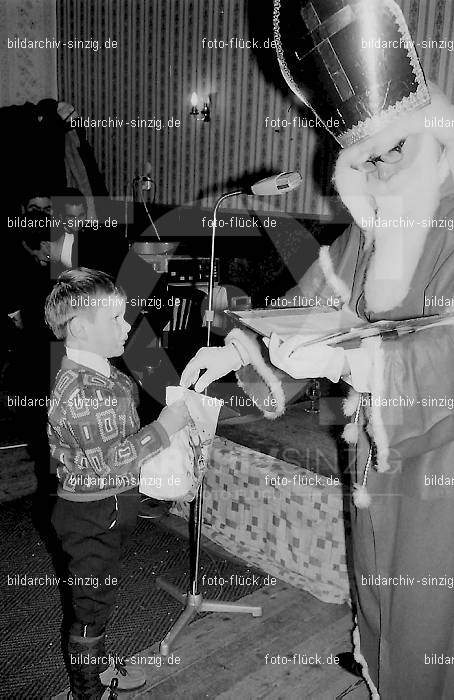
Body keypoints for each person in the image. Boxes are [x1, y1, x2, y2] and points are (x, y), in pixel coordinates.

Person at [181, 1, 454, 697]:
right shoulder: (369, 228)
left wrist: (357, 360)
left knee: (430, 626)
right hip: (380, 458)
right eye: (370, 157)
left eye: (400, 147)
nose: (387, 166)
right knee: (383, 603)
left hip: (443, 477)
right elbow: (311, 306)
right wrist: (242, 350)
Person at [45, 268, 189, 699]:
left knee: (101, 594)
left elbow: (119, 440)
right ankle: (86, 690)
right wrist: (162, 430)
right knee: (90, 607)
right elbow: (109, 461)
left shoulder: (111, 376)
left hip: (110, 506)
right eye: (115, 319)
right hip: (89, 514)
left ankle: (99, 664)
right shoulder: (76, 390)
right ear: (81, 326)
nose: (127, 325)